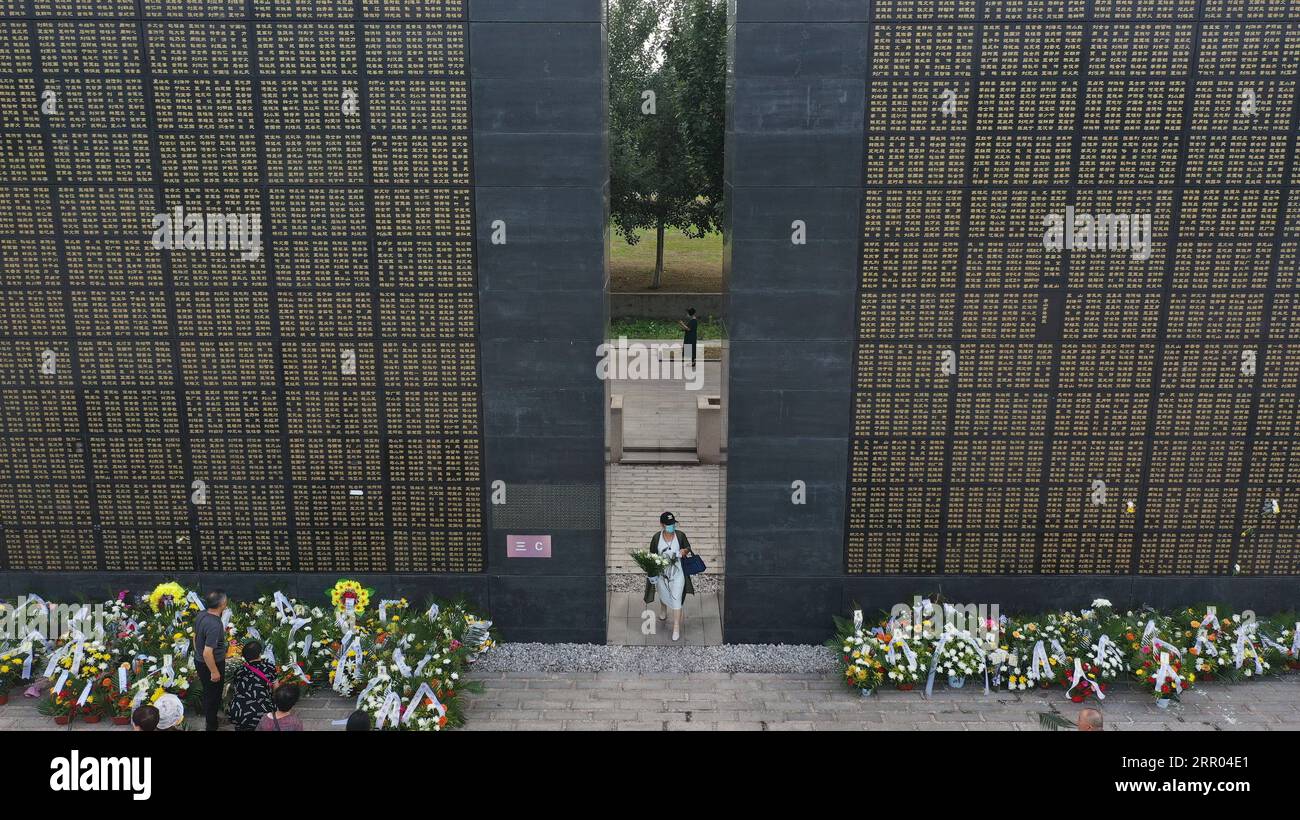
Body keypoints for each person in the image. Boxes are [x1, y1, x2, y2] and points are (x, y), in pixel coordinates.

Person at [650, 511, 696, 642]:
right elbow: (651, 556)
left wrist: (684, 551)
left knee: (676, 598)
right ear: (662, 525)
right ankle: (663, 607)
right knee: (663, 593)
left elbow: (688, 547)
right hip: (662, 574)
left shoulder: (680, 535)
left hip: (678, 574)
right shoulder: (656, 538)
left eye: (673, 524)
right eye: (668, 524)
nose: (671, 527)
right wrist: (652, 572)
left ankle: (676, 627)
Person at [192, 589, 229, 732]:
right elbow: (208, 652)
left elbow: (195, 636)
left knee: (209, 692)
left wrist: (198, 653)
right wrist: (214, 671)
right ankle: (211, 725)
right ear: (222, 604)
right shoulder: (214, 624)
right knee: (213, 695)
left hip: (201, 661)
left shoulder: (202, 614)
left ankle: (211, 718)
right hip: (211, 663)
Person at [227, 641, 276, 731]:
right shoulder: (269, 668)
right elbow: (277, 689)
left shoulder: (239, 670)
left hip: (238, 711)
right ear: (259, 654)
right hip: (261, 712)